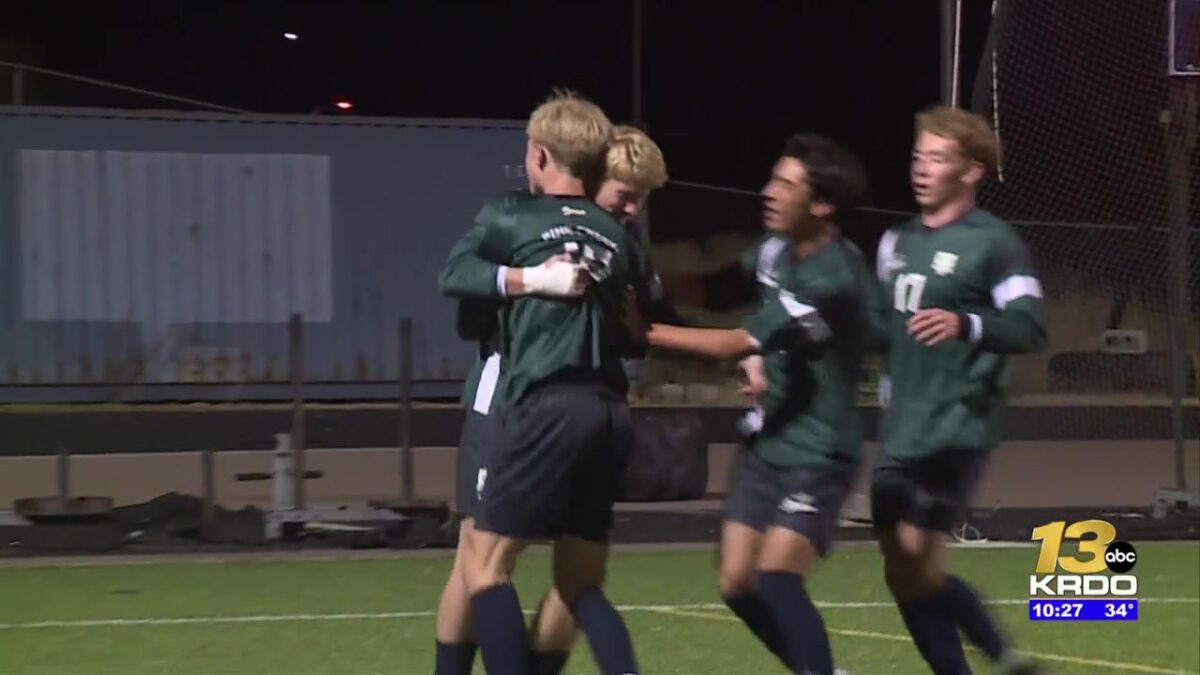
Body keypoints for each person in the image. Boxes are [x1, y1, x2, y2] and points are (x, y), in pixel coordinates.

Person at [434, 124, 670, 675]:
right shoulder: (528, 218)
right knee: (498, 560)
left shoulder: (611, 238)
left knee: (492, 562)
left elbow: (642, 323)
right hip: (515, 396)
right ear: (592, 177)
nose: (633, 207)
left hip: (546, 402)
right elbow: (469, 303)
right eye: (625, 192)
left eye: (643, 197)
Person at [636, 133, 875, 675]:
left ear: (821, 205)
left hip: (818, 451)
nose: (769, 192)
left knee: (777, 580)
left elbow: (733, 341)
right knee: (736, 583)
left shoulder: (835, 277)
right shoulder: (773, 251)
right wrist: (636, 277)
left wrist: (639, 330)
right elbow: (713, 291)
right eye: (772, 177)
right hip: (767, 443)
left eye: (786, 185)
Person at [871, 105, 1045, 674]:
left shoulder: (995, 244)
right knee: (905, 572)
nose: (921, 168)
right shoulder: (895, 242)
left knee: (917, 559)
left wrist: (965, 323)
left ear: (970, 171)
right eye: (918, 156)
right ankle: (999, 658)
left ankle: (996, 652)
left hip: (958, 426)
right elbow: (879, 328)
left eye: (937, 158)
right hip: (901, 428)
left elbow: (1029, 326)